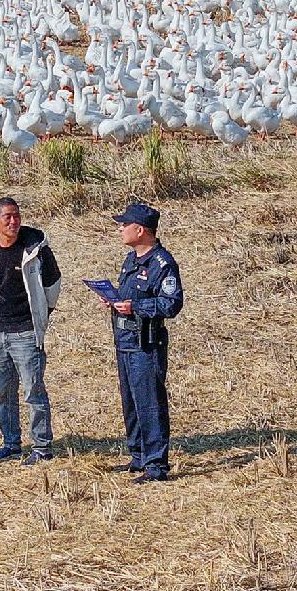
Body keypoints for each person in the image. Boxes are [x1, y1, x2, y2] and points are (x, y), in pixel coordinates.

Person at [0, 196, 61, 466]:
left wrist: (41, 315)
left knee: (33, 392)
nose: (13, 222)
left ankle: (42, 447)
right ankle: (11, 443)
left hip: (25, 333)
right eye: (7, 217)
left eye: (17, 216)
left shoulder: (35, 249)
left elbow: (53, 284)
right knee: (4, 393)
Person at [106, 203, 184, 484]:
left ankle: (156, 465)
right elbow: (130, 295)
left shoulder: (162, 263)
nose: (120, 229)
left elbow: (171, 304)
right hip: (125, 340)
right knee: (131, 402)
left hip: (146, 342)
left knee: (149, 403)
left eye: (124, 225)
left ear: (140, 230)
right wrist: (113, 300)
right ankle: (138, 455)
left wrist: (135, 307)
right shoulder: (131, 260)